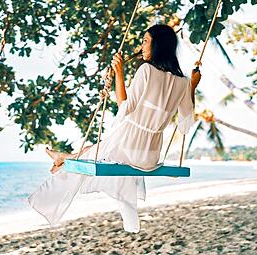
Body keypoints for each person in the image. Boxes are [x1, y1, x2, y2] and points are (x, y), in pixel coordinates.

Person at [28, 24, 201, 233]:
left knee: (93, 154)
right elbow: (185, 122)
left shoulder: (146, 70)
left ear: (158, 45)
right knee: (94, 150)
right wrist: (192, 86)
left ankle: (64, 161)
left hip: (130, 145)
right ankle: (66, 158)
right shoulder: (182, 82)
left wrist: (119, 73)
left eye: (146, 41)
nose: (142, 45)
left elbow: (125, 107)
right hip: (151, 157)